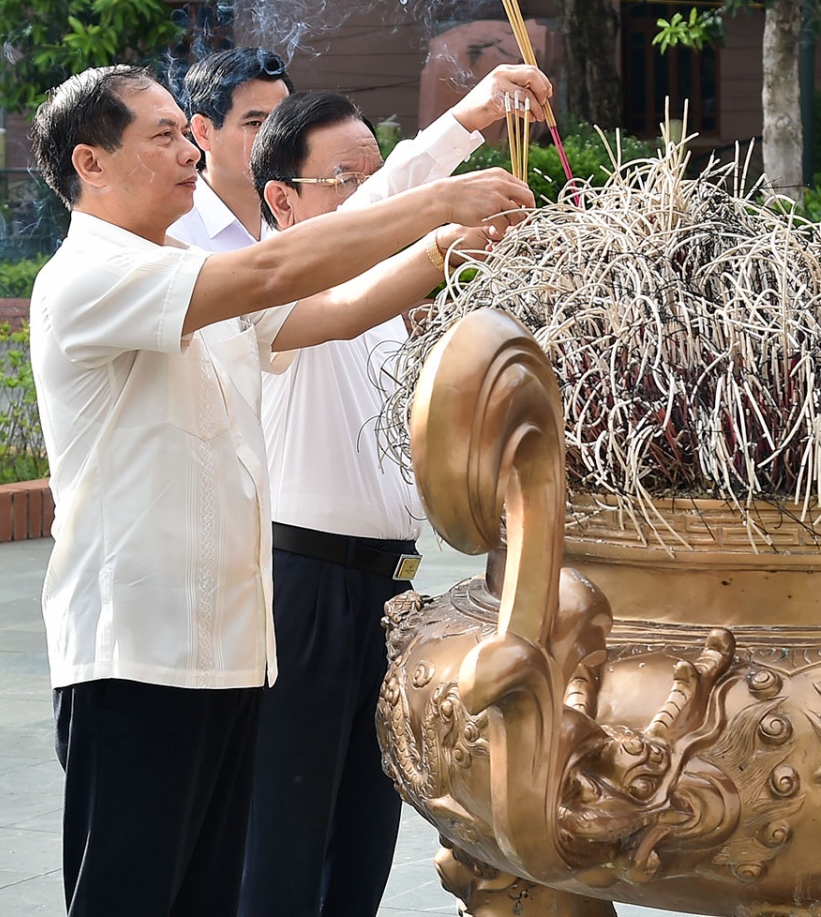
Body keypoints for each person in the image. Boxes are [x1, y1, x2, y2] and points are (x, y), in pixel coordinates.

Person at [27, 65, 533, 917]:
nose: (191, 150)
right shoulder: (89, 277)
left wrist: (447, 249)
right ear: (91, 161)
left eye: (185, 133)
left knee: (211, 896)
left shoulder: (181, 268)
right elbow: (270, 277)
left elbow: (333, 309)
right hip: (134, 657)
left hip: (227, 652)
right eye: (163, 134)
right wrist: (438, 204)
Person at [237, 75, 550, 917]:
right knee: (285, 828)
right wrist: (465, 127)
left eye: (370, 173)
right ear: (282, 198)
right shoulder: (276, 292)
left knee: (364, 827)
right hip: (299, 587)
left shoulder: (379, 295)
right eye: (345, 179)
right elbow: (389, 208)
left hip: (386, 588)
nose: (371, 196)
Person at [169, 48, 294, 251]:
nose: (277, 136)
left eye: (282, 120)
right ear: (203, 132)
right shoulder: (172, 231)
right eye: (255, 123)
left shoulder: (304, 211)